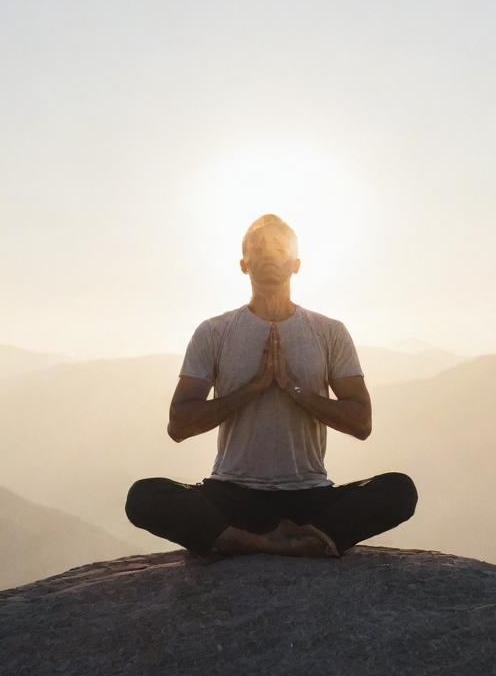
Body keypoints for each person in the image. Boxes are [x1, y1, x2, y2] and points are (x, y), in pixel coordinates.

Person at [125, 214, 418, 559]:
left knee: (399, 490)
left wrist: (294, 389)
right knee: (144, 496)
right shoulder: (214, 332)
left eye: (279, 247)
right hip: (231, 493)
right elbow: (179, 424)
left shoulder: (329, 332)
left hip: (308, 495)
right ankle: (285, 544)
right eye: (258, 248)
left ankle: (249, 541)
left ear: (296, 264)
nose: (268, 254)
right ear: (243, 264)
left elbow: (361, 422)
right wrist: (252, 389)